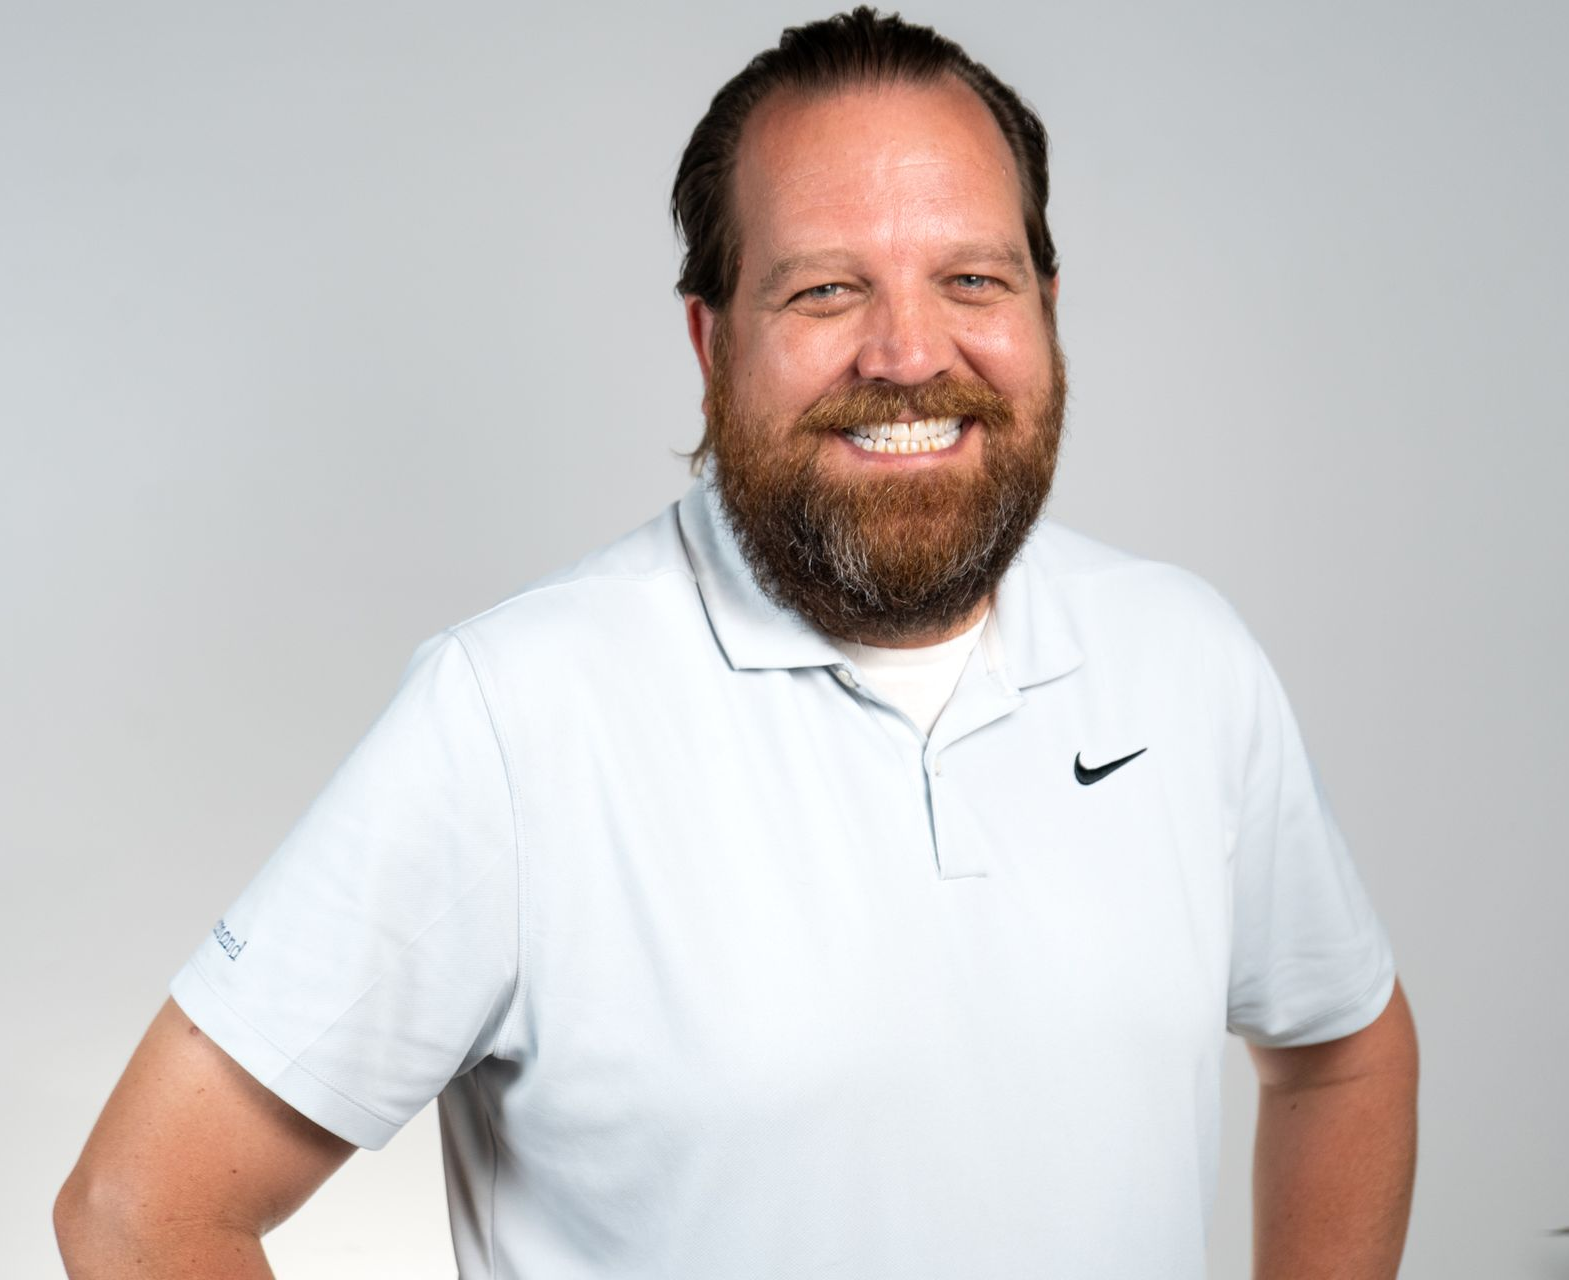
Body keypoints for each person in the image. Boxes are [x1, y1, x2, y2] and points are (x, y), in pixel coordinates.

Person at [54, 8, 1418, 1277]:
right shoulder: (515, 719)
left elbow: (1347, 1051)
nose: (907, 350)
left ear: (1045, 313)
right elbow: (140, 1209)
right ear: (712, 343)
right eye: (826, 290)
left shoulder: (1185, 659)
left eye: (973, 277)